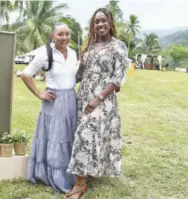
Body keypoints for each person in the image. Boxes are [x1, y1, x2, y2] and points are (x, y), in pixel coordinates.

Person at [65, 8, 129, 199]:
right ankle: (89, 171)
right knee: (87, 135)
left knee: (87, 133)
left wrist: (99, 97)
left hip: (102, 98)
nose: (100, 24)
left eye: (103, 21)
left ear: (110, 22)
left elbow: (118, 77)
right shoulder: (90, 46)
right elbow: (79, 74)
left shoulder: (118, 46)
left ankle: (79, 184)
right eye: (96, 22)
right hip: (83, 95)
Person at [21, 23, 78, 193]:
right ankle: (53, 174)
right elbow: (26, 74)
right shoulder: (45, 53)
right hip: (54, 101)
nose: (65, 37)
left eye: (67, 34)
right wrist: (39, 94)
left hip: (71, 99)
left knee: (68, 136)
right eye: (60, 34)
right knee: (55, 138)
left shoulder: (74, 53)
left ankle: (70, 171)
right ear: (52, 36)